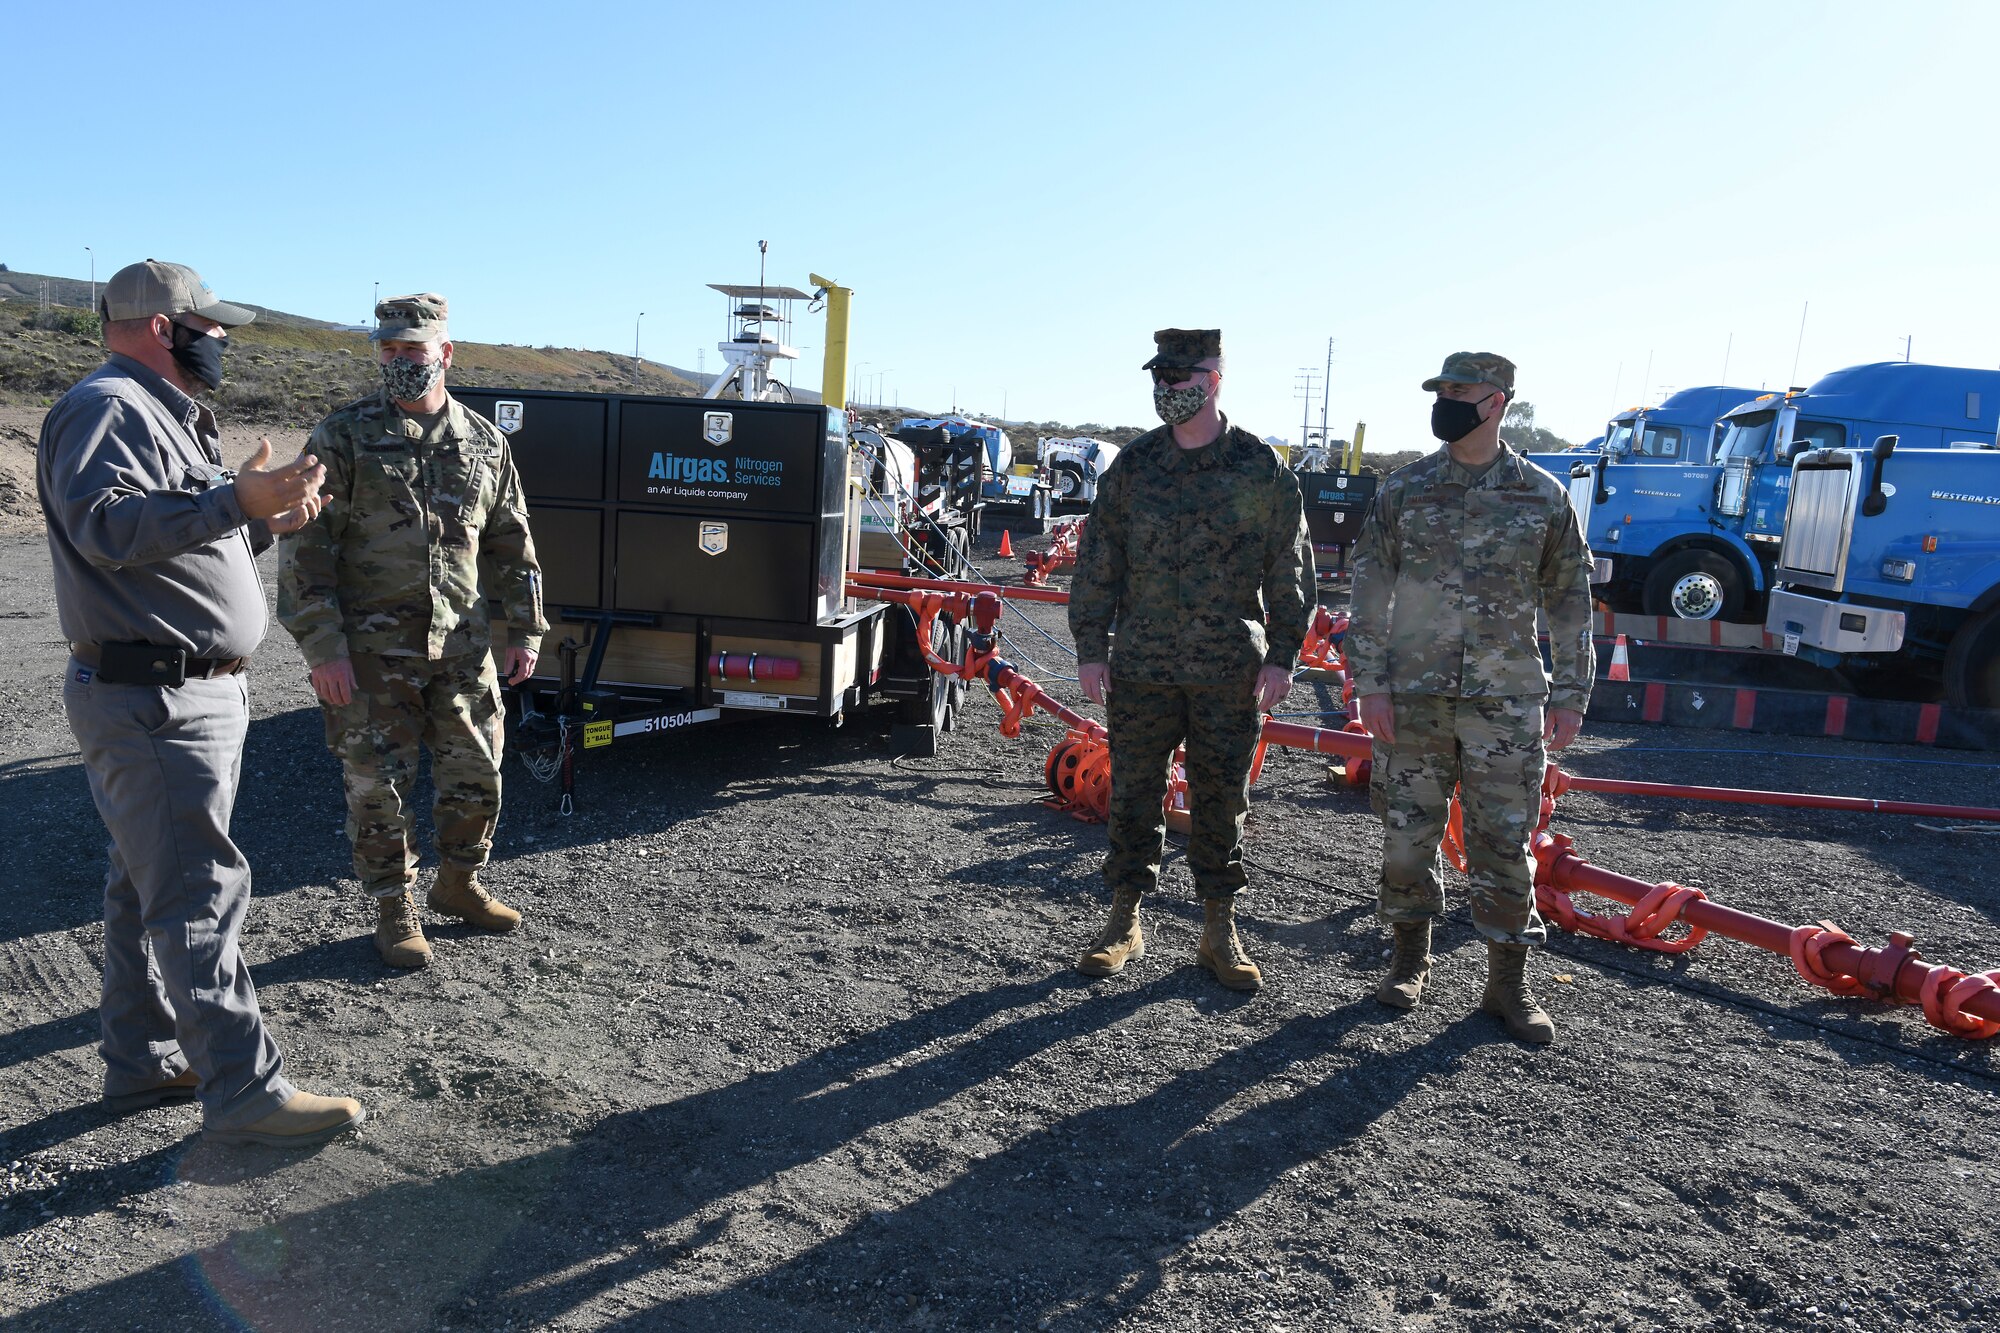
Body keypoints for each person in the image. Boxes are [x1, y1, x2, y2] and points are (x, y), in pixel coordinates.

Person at [39, 258, 364, 1146]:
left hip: (176, 689)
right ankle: (244, 1089)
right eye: (209, 323)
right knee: (196, 892)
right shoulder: (109, 406)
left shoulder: (156, 412)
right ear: (160, 326)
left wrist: (260, 519)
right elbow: (105, 527)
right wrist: (231, 497)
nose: (221, 336)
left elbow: (174, 542)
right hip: (155, 696)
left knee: (146, 886)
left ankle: (141, 1061)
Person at [278, 294, 546, 968]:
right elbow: (305, 554)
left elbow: (513, 545)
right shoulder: (341, 437)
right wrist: (324, 650)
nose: (400, 361)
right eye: (390, 350)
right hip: (371, 657)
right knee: (376, 787)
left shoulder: (486, 442)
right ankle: (394, 909)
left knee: (478, 773)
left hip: (461, 648)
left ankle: (458, 884)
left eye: (414, 350)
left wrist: (526, 631)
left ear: (445, 353)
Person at [1346, 352, 1595, 1044]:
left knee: (1506, 846)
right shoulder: (1405, 489)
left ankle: (1506, 986)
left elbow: (1571, 603)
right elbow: (1368, 589)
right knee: (1406, 837)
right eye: (1441, 389)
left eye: (1459, 390)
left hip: (1505, 703)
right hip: (1415, 697)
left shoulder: (1541, 495)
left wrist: (1572, 693)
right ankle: (1407, 961)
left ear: (1497, 401)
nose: (1445, 400)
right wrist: (1370, 681)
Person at [1068, 329, 1314, 992]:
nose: (1168, 389)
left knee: (1221, 800)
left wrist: (1284, 655)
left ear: (1214, 379)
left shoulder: (1259, 468)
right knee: (1133, 796)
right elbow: (1098, 562)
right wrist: (1092, 649)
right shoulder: (1134, 468)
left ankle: (1218, 928)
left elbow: (1290, 569)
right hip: (1142, 664)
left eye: (1181, 378)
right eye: (1162, 378)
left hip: (1228, 668)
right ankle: (1124, 919)